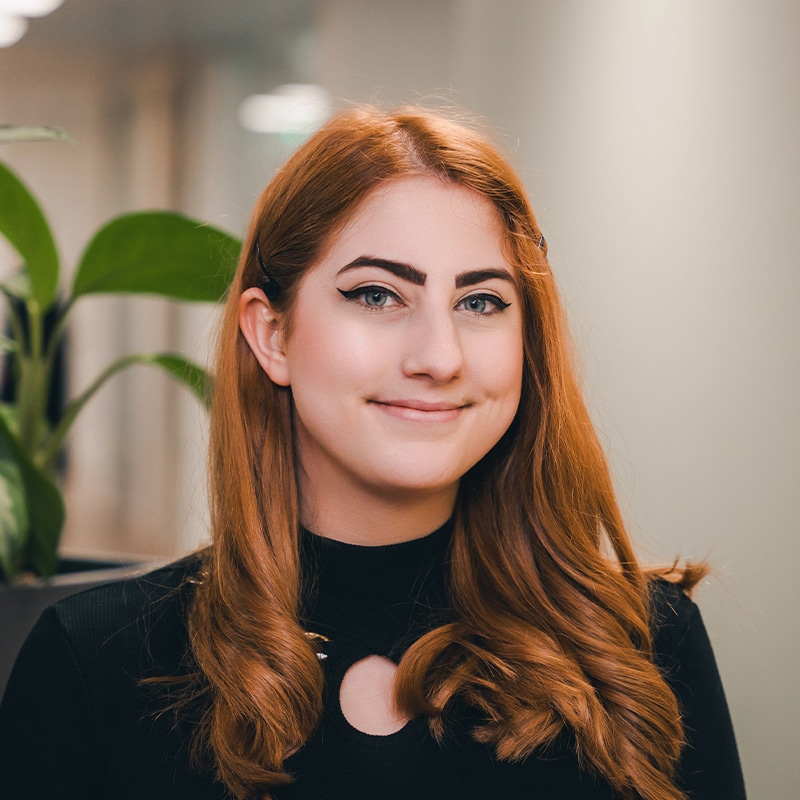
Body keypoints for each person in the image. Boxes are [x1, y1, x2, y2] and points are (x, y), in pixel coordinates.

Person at [0, 106, 746, 800]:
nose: (439, 355)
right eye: (377, 295)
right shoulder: (95, 662)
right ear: (272, 334)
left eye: (481, 302)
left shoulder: (640, 647)